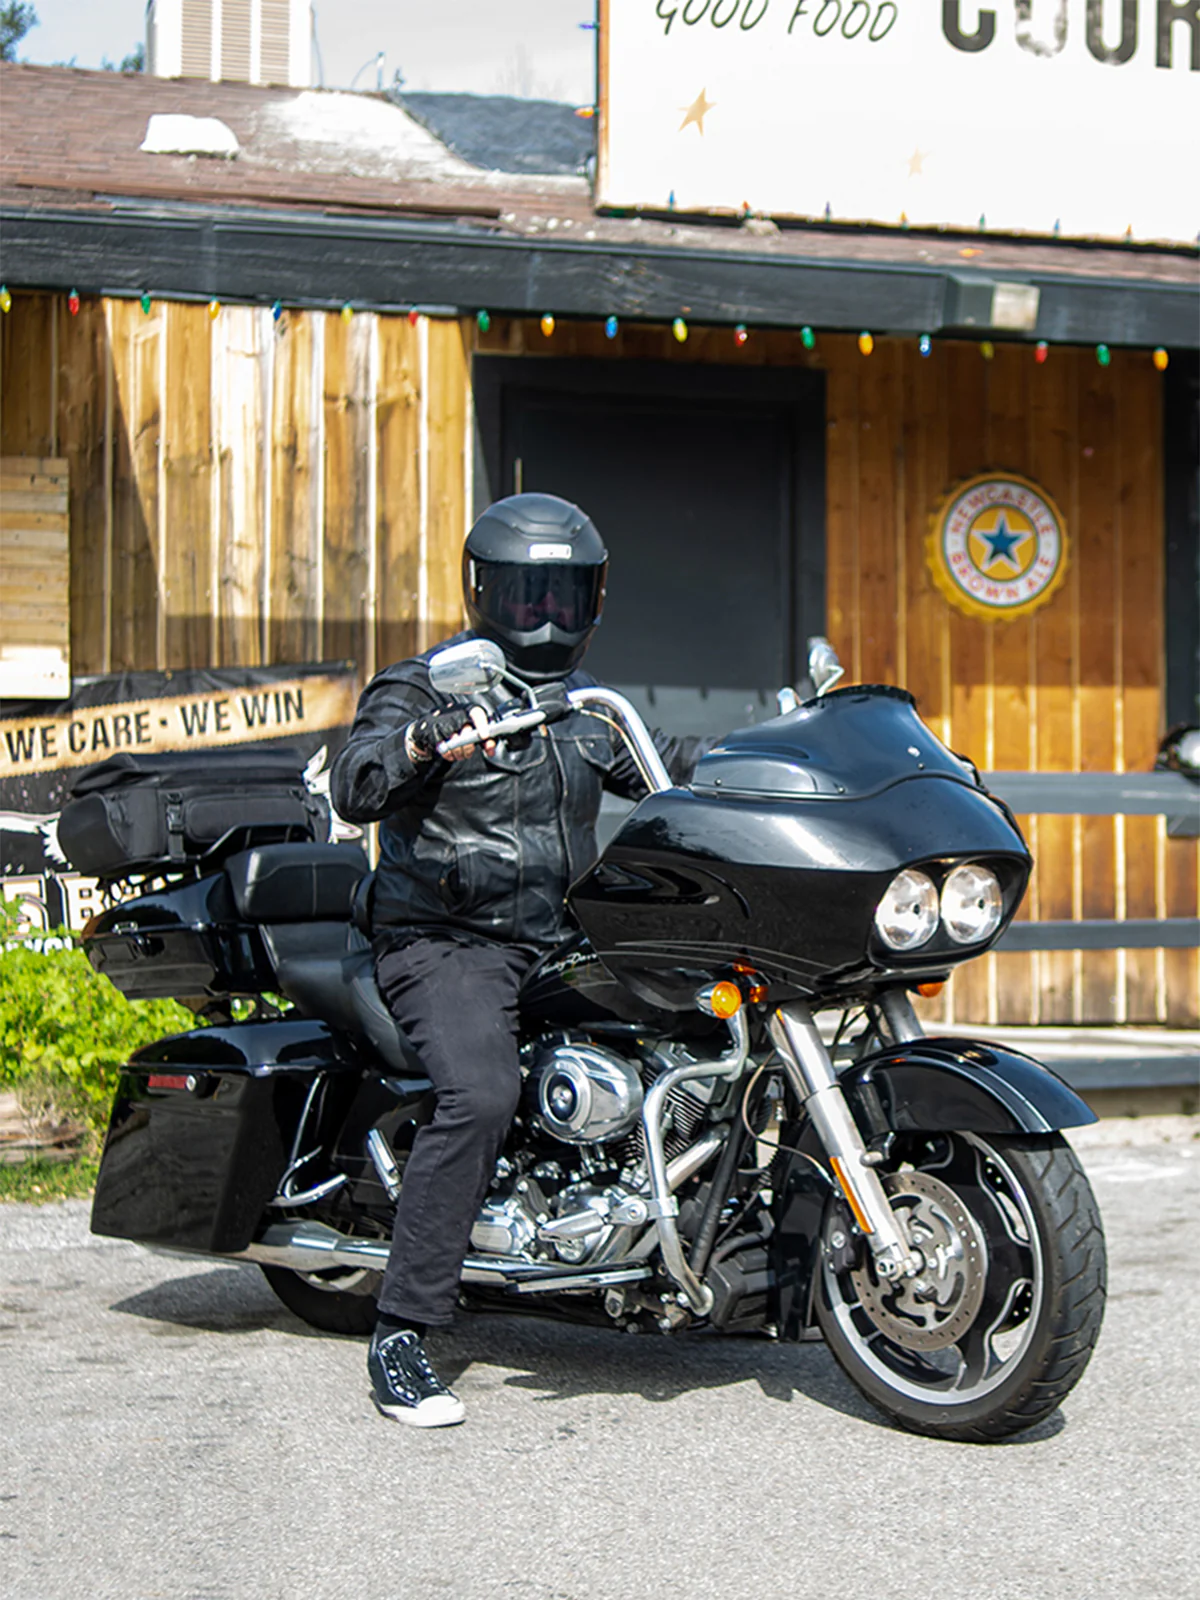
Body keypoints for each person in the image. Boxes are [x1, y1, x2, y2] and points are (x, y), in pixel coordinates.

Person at [329, 493, 707, 1428]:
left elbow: (673, 765)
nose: (543, 617)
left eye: (563, 598)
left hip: (556, 940)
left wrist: (783, 754)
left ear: (593, 602)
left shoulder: (585, 709)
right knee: (482, 1092)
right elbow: (356, 779)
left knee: (706, 1022)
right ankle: (403, 1332)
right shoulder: (425, 687)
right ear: (481, 593)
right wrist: (422, 742)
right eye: (524, 596)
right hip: (442, 939)